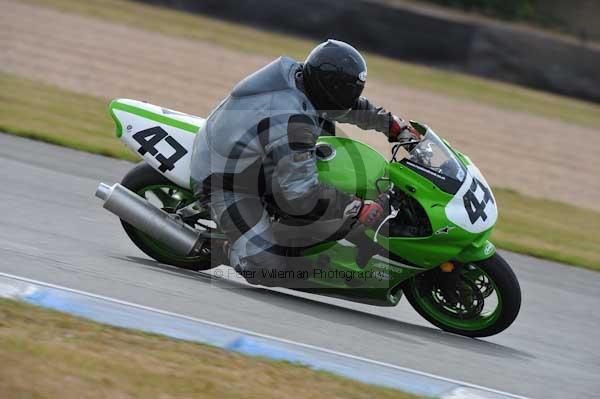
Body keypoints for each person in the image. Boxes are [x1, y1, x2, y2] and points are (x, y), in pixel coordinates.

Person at [190, 39, 419, 285]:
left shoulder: (303, 80)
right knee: (269, 270)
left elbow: (345, 105)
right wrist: (357, 207)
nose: (350, 98)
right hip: (226, 181)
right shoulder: (293, 123)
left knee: (337, 172)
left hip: (255, 157)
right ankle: (225, 247)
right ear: (328, 86)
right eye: (346, 91)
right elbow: (301, 194)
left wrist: (391, 124)